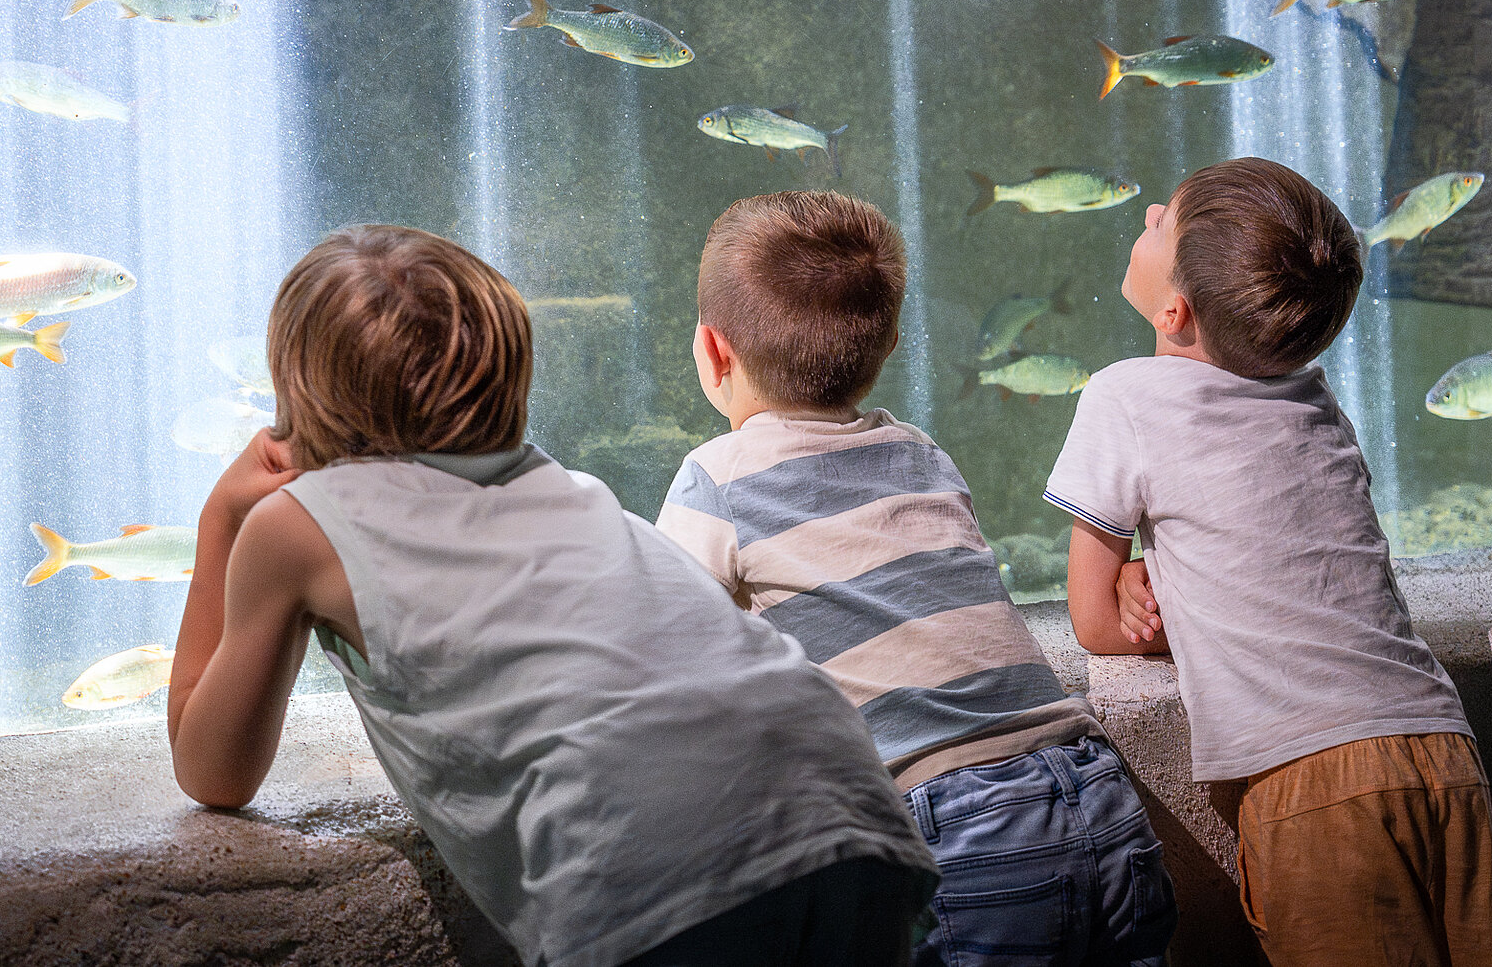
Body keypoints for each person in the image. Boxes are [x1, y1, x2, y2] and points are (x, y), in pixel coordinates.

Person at [168, 223, 939, 967]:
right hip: (853, 812)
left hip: (663, 877)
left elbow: (213, 771)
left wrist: (221, 518)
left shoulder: (297, 525)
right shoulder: (566, 486)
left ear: (299, 386)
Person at [656, 191, 1175, 966]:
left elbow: (664, 657)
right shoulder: (923, 453)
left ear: (711, 349)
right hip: (1098, 794)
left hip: (952, 828)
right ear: (891, 341)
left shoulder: (715, 479)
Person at [1046, 157, 1492, 966]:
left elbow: (1092, 624)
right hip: (1443, 749)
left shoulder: (1122, 396)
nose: (1150, 207)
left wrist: (1139, 589)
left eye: (1164, 223)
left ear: (1174, 308)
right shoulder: (1314, 398)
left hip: (1315, 785)